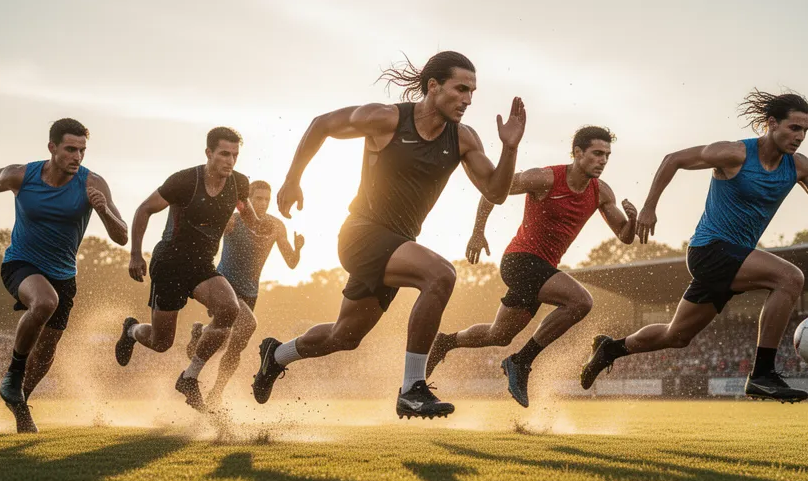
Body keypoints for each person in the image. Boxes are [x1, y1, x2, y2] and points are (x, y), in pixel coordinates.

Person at [251, 51, 527, 419]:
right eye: (460, 89)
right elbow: (321, 124)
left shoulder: (463, 139)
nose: (468, 100)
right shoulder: (386, 119)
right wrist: (292, 179)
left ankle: (276, 354)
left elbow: (495, 192)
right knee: (440, 275)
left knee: (345, 337)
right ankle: (413, 388)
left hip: (398, 244)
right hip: (361, 233)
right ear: (433, 86)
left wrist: (510, 148)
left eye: (472, 92)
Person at [580, 90, 808, 403]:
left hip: (734, 259)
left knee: (676, 336)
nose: (800, 136)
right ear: (772, 123)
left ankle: (610, 348)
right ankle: (761, 374)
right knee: (790, 278)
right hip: (710, 250)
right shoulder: (734, 154)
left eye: (805, 131)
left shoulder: (798, 166)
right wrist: (649, 207)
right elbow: (673, 159)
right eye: (794, 128)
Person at [427, 126, 637, 407]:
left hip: (542, 270)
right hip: (520, 260)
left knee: (498, 335)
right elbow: (494, 189)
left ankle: (445, 341)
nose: (603, 160)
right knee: (580, 302)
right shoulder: (545, 178)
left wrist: (633, 220)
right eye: (597, 153)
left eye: (607, 155)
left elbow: (624, 236)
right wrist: (478, 232)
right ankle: (521, 361)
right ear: (577, 153)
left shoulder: (601, 193)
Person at [0, 118, 128, 432]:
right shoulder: (22, 175)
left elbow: (122, 236)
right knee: (45, 303)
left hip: (64, 274)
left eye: (82, 150)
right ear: (52, 148)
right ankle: (13, 376)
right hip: (20, 263)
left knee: (46, 353)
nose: (77, 156)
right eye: (70, 149)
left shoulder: (92, 184)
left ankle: (19, 402)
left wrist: (105, 211)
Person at [114, 127, 266, 412]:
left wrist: (257, 221)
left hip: (202, 267)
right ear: (209, 153)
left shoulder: (239, 183)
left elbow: (249, 215)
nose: (230, 160)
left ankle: (189, 376)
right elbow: (144, 209)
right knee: (161, 343)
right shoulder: (185, 181)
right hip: (169, 264)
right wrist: (135, 254)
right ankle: (132, 330)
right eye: (224, 154)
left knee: (229, 309)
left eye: (235, 155)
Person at [183, 180, 304, 407]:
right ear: (247, 200)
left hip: (250, 293)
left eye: (267, 199)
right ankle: (203, 383)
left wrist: (297, 249)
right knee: (248, 324)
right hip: (224, 285)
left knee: (229, 344)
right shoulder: (234, 220)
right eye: (258, 198)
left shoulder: (276, 226)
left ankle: (213, 374)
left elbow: (291, 262)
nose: (263, 203)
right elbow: (207, 237)